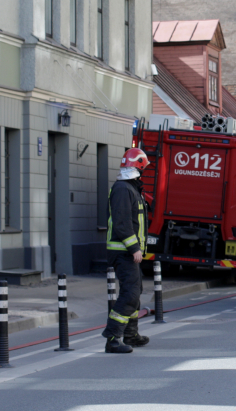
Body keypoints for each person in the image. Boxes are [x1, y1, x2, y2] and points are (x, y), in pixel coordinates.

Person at [103, 147, 151, 354]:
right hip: (124, 251)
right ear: (139, 166)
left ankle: (131, 334)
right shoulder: (124, 189)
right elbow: (123, 223)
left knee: (135, 292)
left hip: (128, 251)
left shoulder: (130, 188)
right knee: (130, 294)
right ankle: (113, 338)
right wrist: (134, 248)